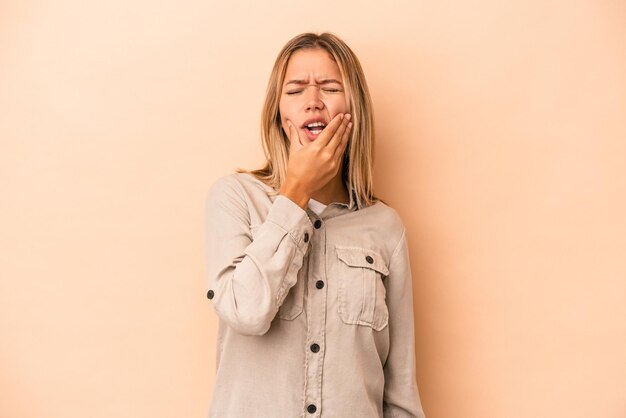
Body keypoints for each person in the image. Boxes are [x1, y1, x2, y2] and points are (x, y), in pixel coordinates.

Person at [204, 32, 426, 418]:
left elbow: (400, 390)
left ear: (353, 108)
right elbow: (245, 311)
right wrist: (294, 195)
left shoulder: (385, 228)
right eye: (295, 90)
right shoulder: (235, 198)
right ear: (278, 112)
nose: (313, 102)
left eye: (329, 87)